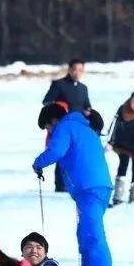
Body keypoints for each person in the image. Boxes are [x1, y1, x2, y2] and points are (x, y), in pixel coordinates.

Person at [34, 103, 116, 266]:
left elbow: (56, 151)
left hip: (91, 187)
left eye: (48, 127)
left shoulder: (66, 126)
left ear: (53, 120)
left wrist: (38, 163)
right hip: (92, 187)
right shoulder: (82, 126)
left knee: (93, 232)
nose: (50, 132)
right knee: (85, 232)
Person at [42, 59, 91, 193]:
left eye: (80, 70)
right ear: (69, 69)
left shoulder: (83, 88)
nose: (77, 73)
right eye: (75, 69)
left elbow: (87, 106)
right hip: (61, 126)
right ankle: (60, 186)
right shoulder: (59, 84)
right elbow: (47, 101)